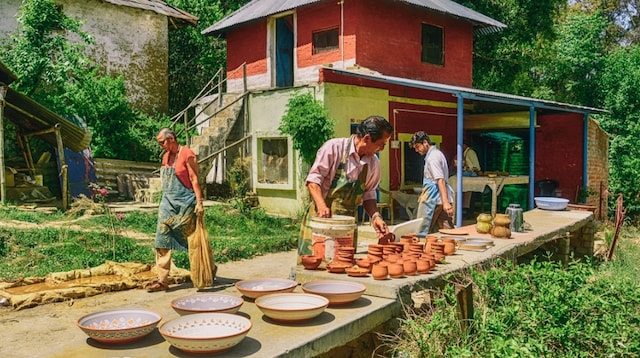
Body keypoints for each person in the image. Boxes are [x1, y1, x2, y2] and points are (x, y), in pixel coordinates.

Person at [299, 115, 394, 256]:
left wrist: (375, 217)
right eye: (381, 144)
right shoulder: (334, 148)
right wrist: (321, 205)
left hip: (347, 226)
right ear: (367, 138)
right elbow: (313, 180)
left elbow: (369, 194)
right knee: (315, 265)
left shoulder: (374, 163)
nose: (382, 148)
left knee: (343, 265)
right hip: (321, 222)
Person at [147, 128, 206, 292]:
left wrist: (199, 202)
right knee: (161, 240)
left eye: (161, 142)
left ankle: (207, 270)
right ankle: (162, 280)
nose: (160, 146)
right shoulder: (166, 157)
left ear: (171, 138)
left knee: (193, 241)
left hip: (186, 203)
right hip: (167, 203)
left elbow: (194, 179)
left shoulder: (187, 154)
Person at [411, 131, 454, 234]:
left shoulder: (433, 158)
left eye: (417, 147)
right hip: (436, 196)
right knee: (445, 226)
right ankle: (452, 244)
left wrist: (445, 202)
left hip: (434, 198)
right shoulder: (436, 154)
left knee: (424, 228)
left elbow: (440, 180)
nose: (417, 150)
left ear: (425, 142)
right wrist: (423, 193)